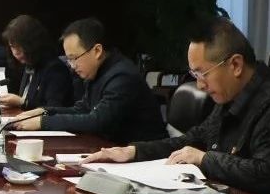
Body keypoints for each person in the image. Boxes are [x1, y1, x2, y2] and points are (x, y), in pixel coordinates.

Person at [83, 18, 270, 194]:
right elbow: (193, 141)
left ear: (235, 65)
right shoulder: (231, 95)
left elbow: (267, 175)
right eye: (194, 74)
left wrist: (205, 159)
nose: (200, 85)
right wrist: (133, 152)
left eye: (202, 73)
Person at [13, 18, 165, 143]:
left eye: (74, 58)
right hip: (112, 149)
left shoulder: (122, 76)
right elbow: (82, 109)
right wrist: (44, 111)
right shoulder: (98, 71)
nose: (72, 66)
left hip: (144, 156)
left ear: (97, 51)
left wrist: (43, 122)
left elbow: (98, 121)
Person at [0, 14, 75, 110]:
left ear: (33, 44)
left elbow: (54, 109)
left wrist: (22, 102)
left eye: (20, 46)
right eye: (12, 46)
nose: (16, 52)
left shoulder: (55, 69)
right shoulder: (28, 64)